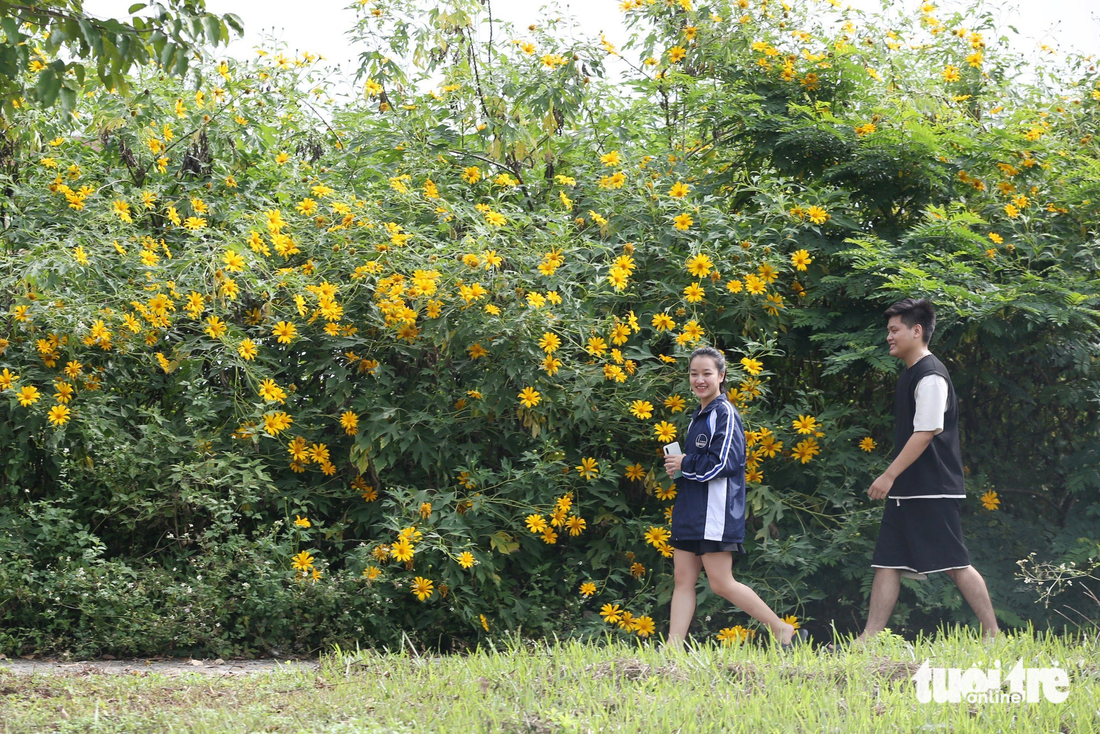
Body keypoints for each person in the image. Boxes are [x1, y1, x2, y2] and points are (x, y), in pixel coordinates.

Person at [854, 298, 999, 644]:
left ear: (916, 331)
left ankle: (994, 634)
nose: (888, 337)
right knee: (887, 561)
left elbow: (926, 432)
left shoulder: (931, 376)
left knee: (955, 562)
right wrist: (895, 480)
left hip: (933, 487)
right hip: (908, 490)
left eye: (894, 330)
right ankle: (869, 640)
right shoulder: (910, 373)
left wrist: (888, 475)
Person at [662, 346, 805, 649]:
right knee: (682, 580)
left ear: (721, 376)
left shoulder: (723, 412)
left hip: (715, 512)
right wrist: (679, 467)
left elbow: (726, 462)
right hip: (690, 510)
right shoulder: (698, 415)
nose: (699, 380)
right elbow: (699, 464)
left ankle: (782, 630)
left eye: (706, 374)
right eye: (693, 374)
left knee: (721, 583)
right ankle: (672, 650)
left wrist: (685, 462)